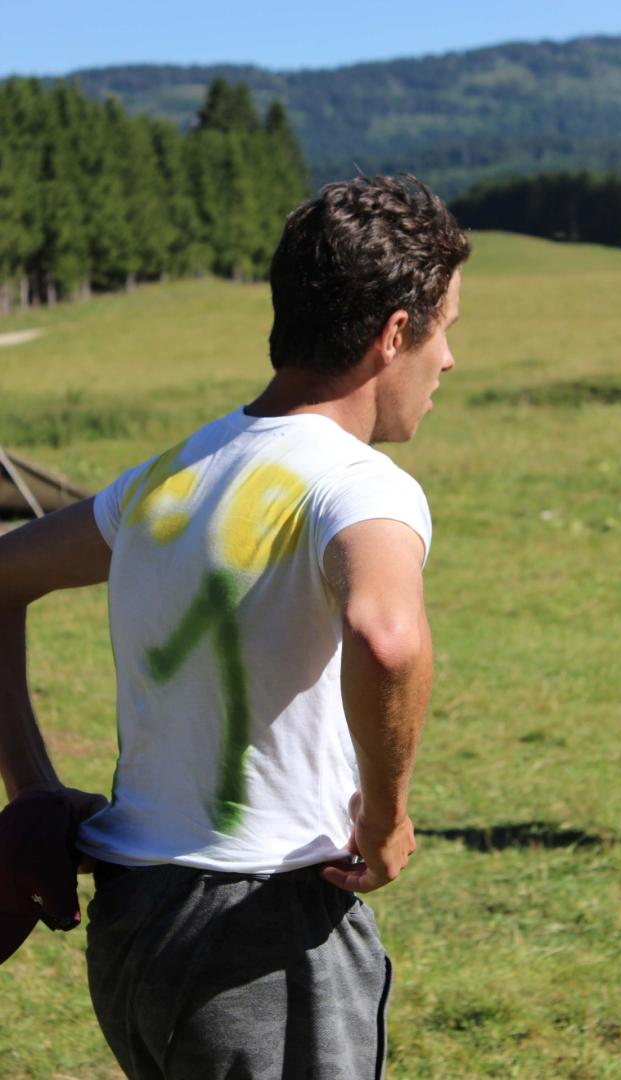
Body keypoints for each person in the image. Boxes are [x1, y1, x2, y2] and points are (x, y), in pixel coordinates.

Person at [0, 174, 469, 1079]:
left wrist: (35, 795)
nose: (448, 360)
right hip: (263, 934)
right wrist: (386, 818)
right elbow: (388, 639)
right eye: (445, 328)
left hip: (135, 928)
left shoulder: (166, 476)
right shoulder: (359, 486)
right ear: (393, 335)